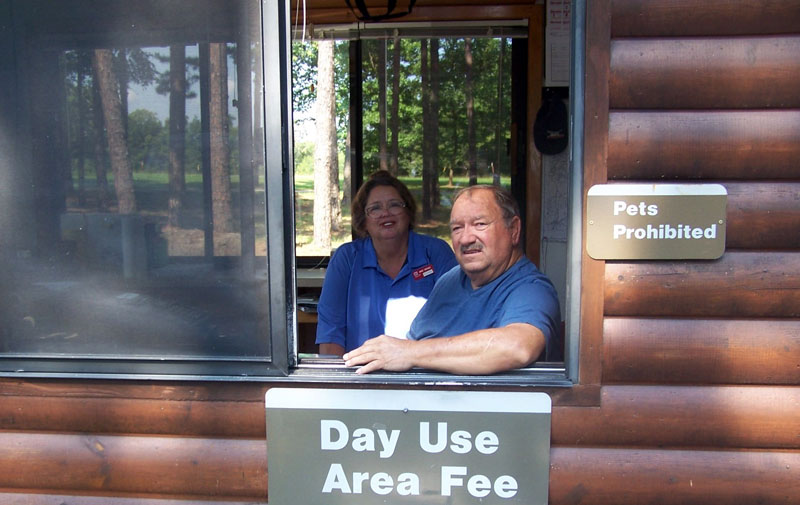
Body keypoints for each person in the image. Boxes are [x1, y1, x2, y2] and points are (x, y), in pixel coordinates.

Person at [343, 184, 562, 375]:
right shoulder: (449, 281)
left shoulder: (531, 289)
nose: (466, 238)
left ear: (513, 230)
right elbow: (412, 342)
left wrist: (410, 353)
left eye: (480, 224)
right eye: (457, 228)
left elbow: (517, 347)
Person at [315, 170, 458, 356]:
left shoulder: (436, 253)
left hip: (426, 369)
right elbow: (331, 333)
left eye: (395, 205)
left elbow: (457, 320)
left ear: (408, 212)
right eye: (375, 208)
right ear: (363, 220)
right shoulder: (347, 259)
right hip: (361, 373)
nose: (386, 213)